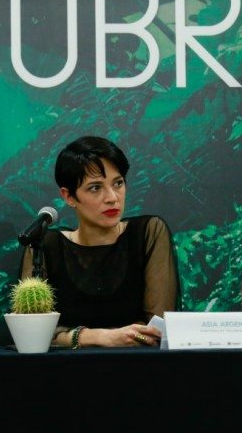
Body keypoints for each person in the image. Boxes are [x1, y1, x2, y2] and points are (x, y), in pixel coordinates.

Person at [20, 135, 178, 348]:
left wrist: (73, 337)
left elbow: (156, 329)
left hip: (137, 366)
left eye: (118, 183)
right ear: (69, 197)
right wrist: (101, 337)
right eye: (95, 188)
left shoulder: (148, 232)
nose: (112, 197)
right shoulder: (46, 245)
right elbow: (32, 334)